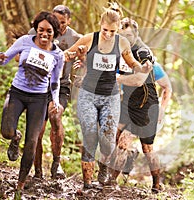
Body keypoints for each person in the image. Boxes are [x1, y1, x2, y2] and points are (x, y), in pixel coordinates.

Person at [64, 8, 152, 189]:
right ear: (100, 26)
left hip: (110, 96)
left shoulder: (122, 43)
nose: (108, 34)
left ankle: (104, 166)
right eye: (105, 30)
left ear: (118, 29)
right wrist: (74, 55)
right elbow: (67, 55)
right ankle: (88, 183)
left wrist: (143, 68)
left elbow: (132, 64)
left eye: (112, 31)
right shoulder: (90, 38)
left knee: (107, 141)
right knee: (89, 135)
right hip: (88, 94)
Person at [0, 11, 64, 190]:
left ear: (55, 33)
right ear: (36, 29)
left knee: (32, 143)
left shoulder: (58, 55)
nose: (44, 34)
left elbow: (55, 81)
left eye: (49, 31)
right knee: (5, 130)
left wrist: (55, 101)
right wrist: (1, 58)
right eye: (41, 30)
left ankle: (19, 186)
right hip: (17, 93)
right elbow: (5, 59)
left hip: (39, 98)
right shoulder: (25, 41)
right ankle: (14, 137)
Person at [110, 17, 172, 193]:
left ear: (135, 34)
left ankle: (156, 184)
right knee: (115, 137)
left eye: (128, 35)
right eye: (121, 35)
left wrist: (162, 109)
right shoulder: (119, 51)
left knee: (146, 148)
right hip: (127, 104)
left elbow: (139, 81)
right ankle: (118, 171)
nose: (125, 38)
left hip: (145, 106)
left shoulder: (142, 52)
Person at [28, 5, 83, 180]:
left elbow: (88, 57)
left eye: (62, 23)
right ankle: (37, 171)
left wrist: (81, 63)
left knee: (55, 115)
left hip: (61, 87)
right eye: (55, 21)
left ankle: (56, 163)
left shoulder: (76, 38)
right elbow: (20, 53)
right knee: (38, 128)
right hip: (38, 86)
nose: (58, 27)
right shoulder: (37, 31)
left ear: (69, 22)